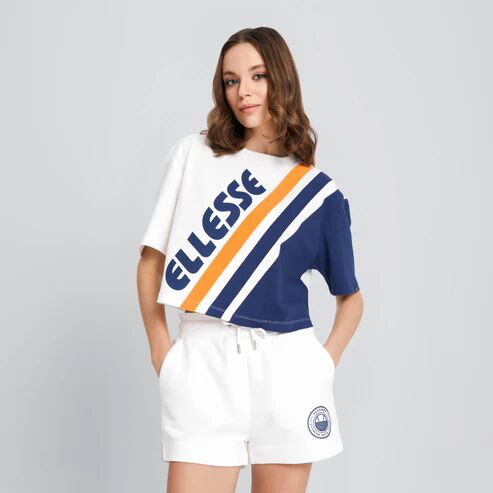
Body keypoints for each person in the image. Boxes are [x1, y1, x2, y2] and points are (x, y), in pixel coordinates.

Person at [136, 26, 364, 493]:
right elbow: (150, 262)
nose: (243, 91)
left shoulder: (318, 193)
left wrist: (324, 363)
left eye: (257, 76)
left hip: (288, 371)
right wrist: (162, 351)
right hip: (203, 365)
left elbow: (351, 298)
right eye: (231, 80)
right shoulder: (194, 155)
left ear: (282, 78)